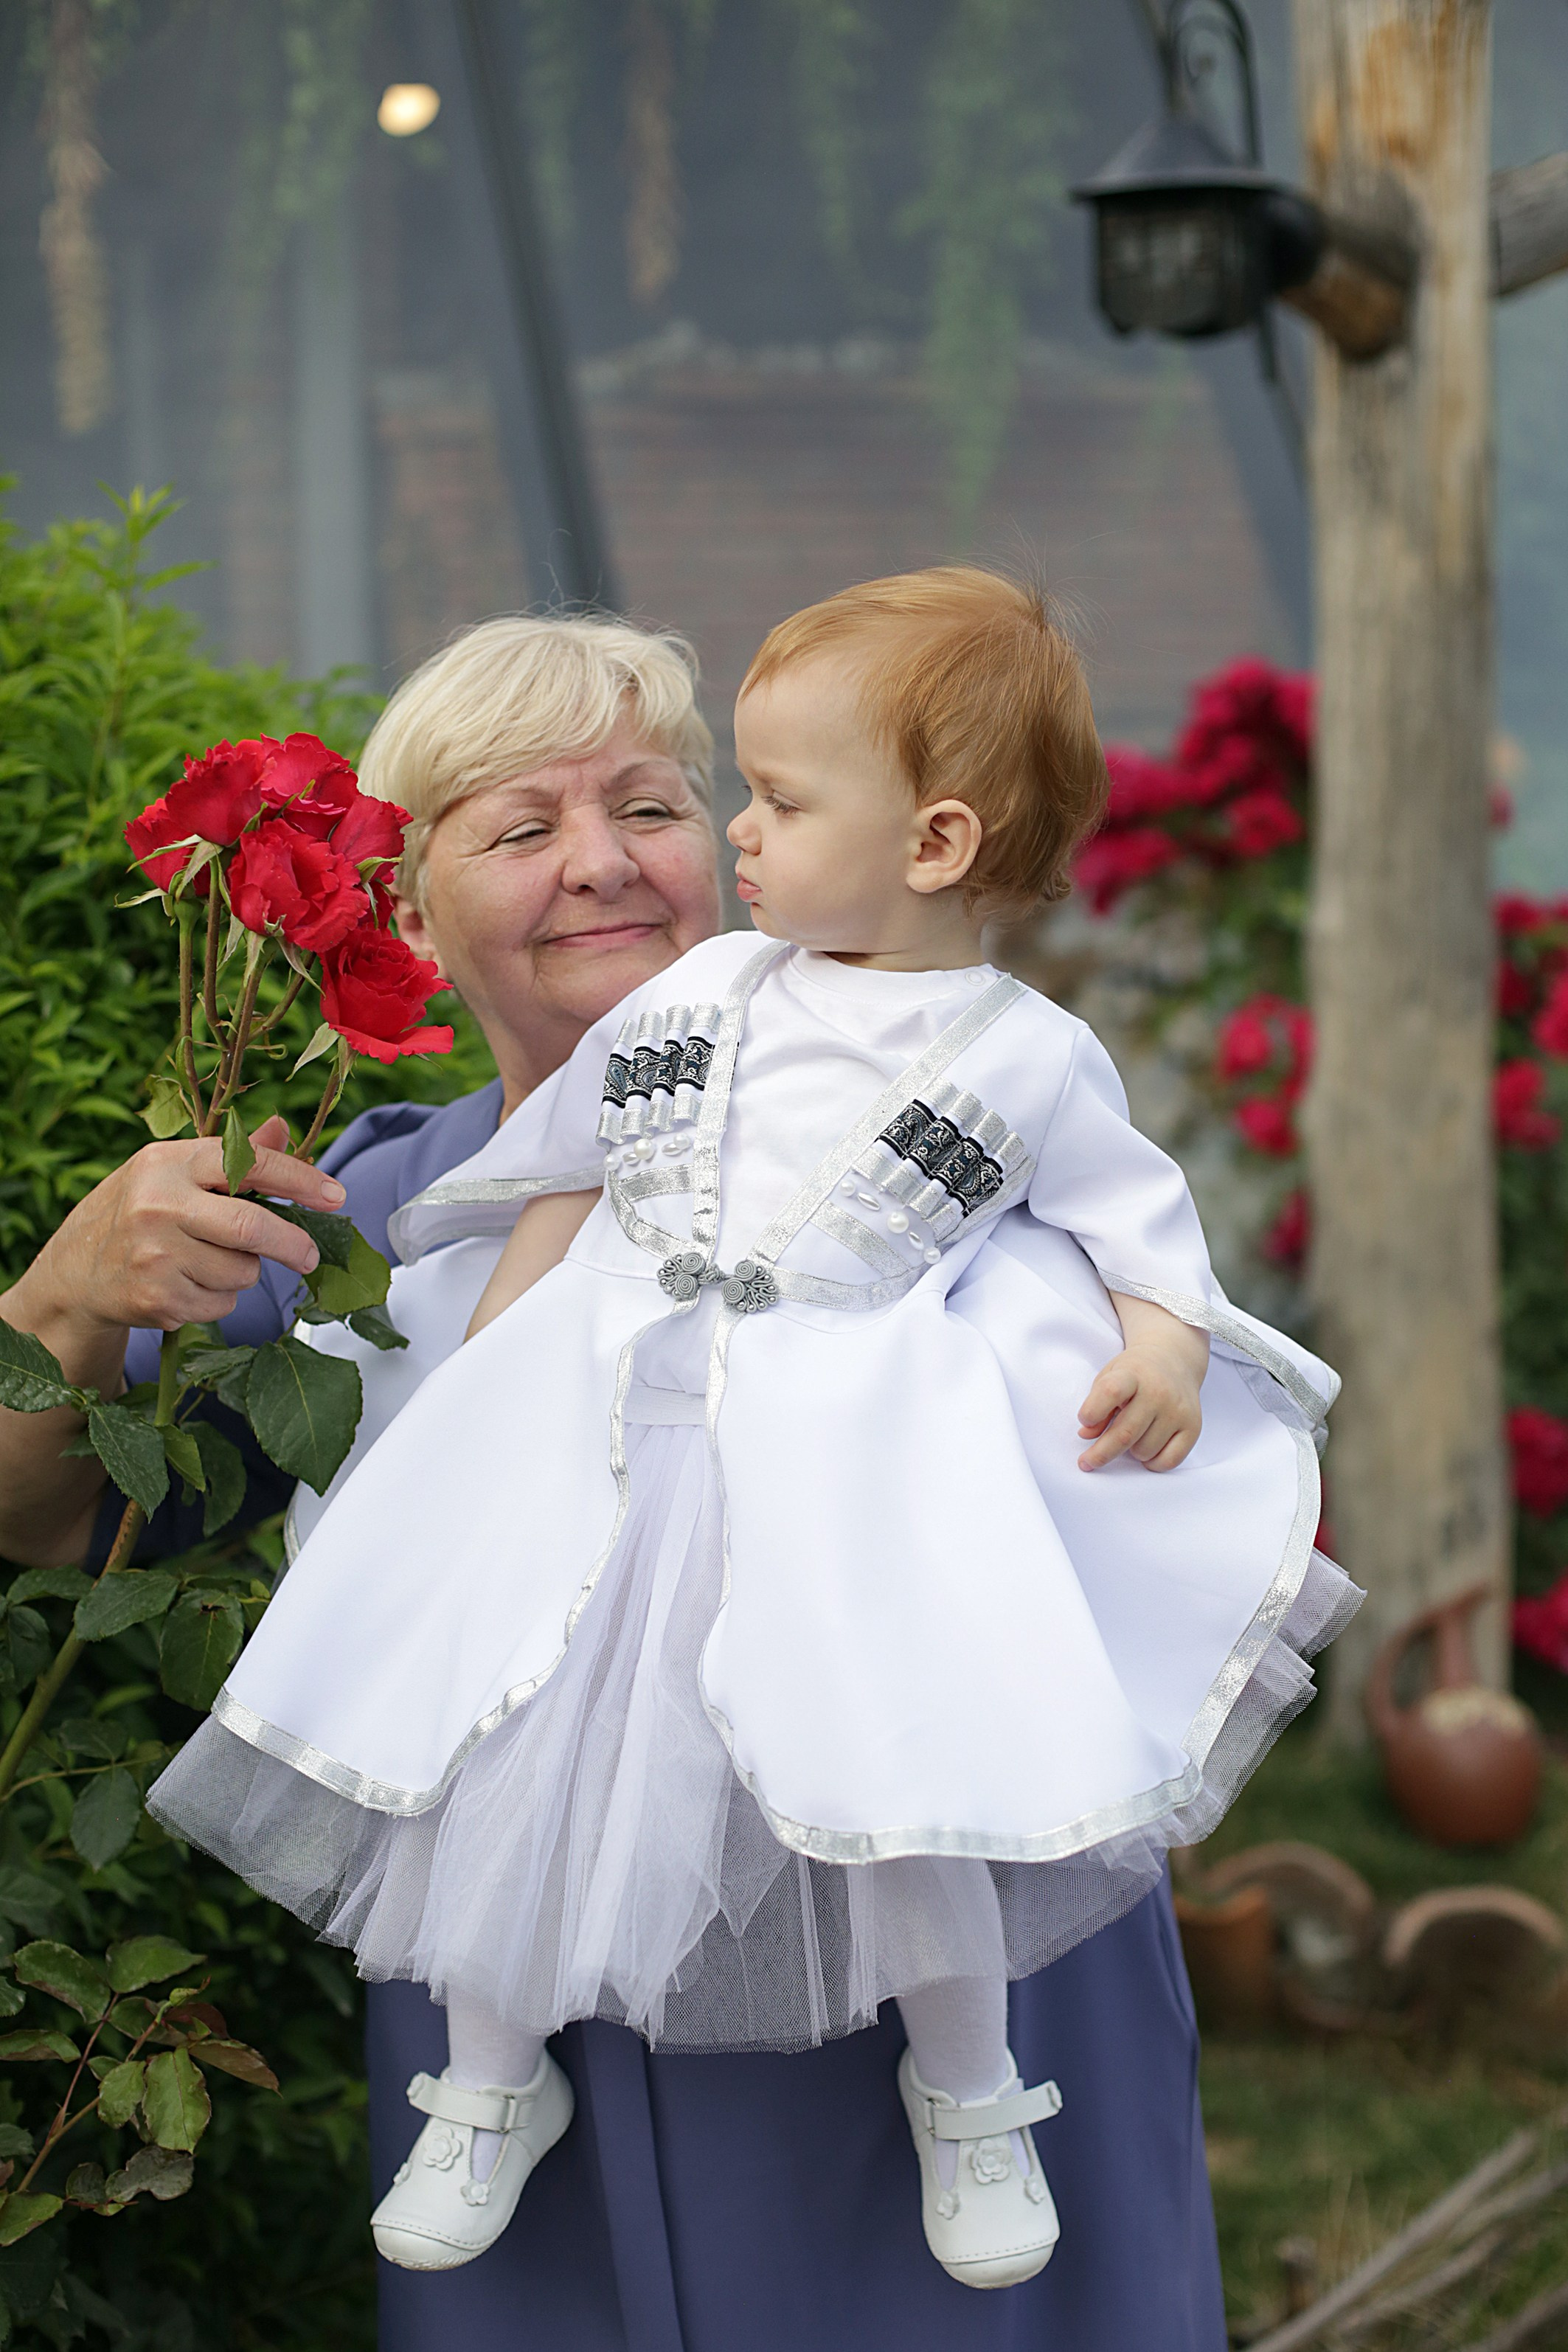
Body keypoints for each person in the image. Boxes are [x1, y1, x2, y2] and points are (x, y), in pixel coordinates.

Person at [146, 572, 1357, 2300]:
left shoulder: (997, 1080)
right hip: (585, 1687)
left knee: (913, 1890)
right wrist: (409, 1344)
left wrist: (1152, 1342)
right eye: (521, 827)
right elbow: (533, 1191)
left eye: (663, 803)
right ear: (409, 904)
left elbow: (1140, 1235)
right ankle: (485, 2091)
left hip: (876, 1672)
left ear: (919, 840)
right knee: (525, 1837)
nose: (616, 855)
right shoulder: (414, 1184)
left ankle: (974, 2091)